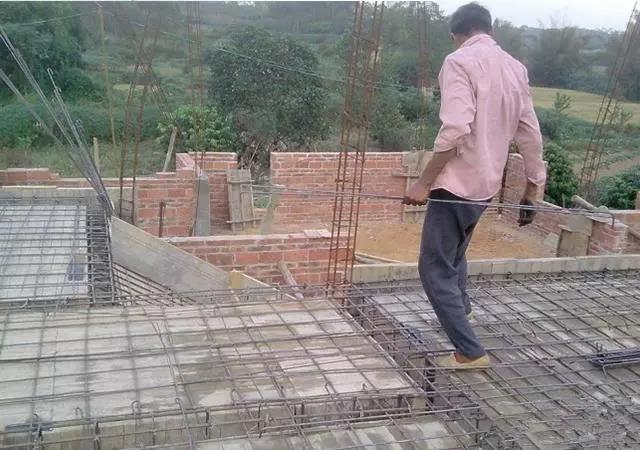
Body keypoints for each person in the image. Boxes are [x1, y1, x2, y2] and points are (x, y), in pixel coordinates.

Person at [402, 2, 546, 369]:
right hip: (486, 186)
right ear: (490, 30)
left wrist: (423, 182)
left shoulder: (458, 62)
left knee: (434, 267)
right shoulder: (515, 67)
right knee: (455, 253)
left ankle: (469, 351)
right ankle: (462, 309)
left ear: (456, 35)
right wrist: (533, 189)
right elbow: (530, 134)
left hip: (456, 186)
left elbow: (455, 130)